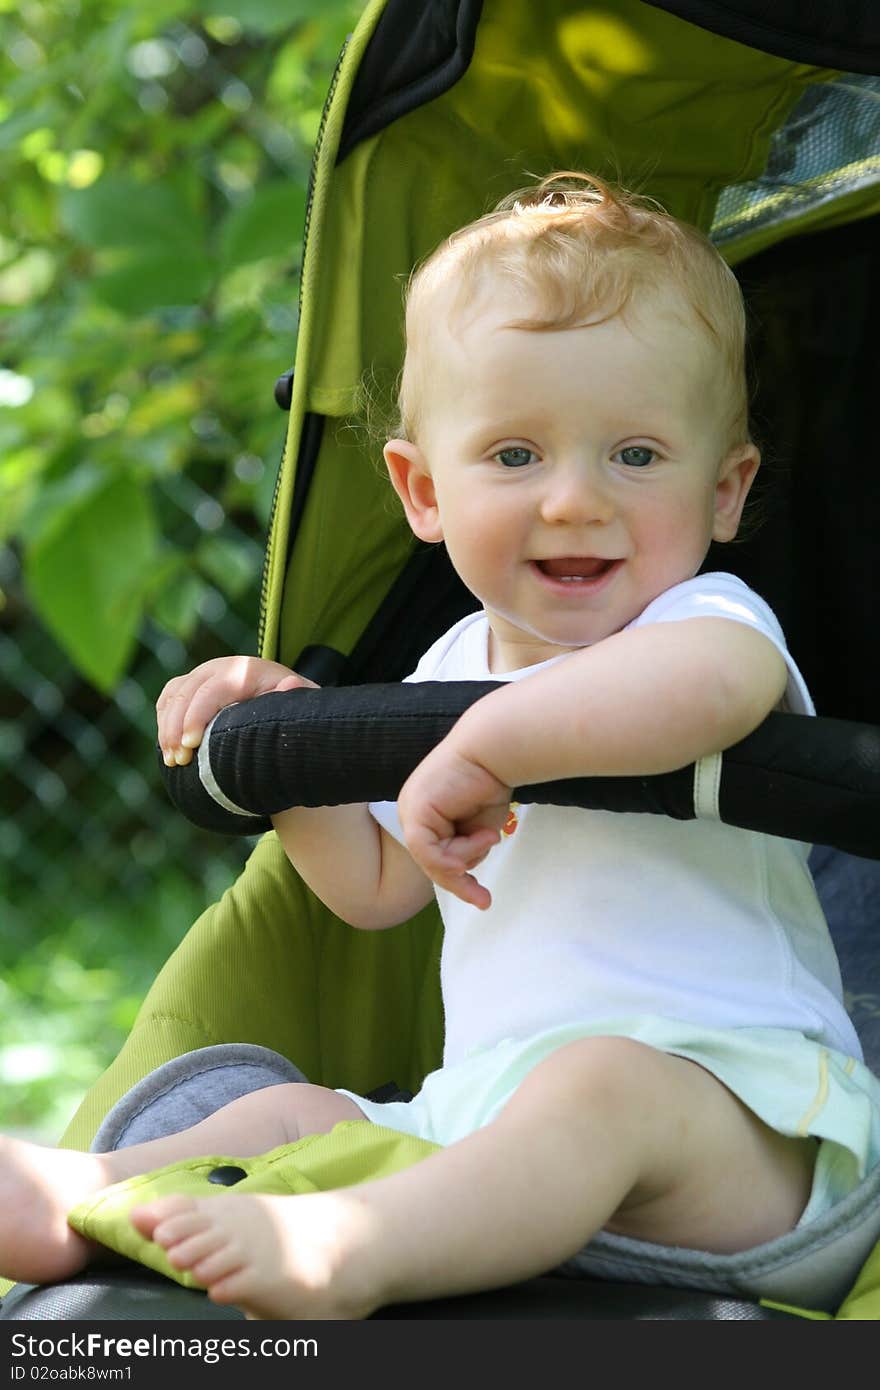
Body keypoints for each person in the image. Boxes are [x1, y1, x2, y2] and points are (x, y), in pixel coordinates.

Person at [3, 172, 880, 1320]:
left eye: (635, 456)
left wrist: (488, 745)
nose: (573, 501)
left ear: (725, 490)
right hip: (488, 1120)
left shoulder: (706, 625)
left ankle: (356, 1247)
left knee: (602, 1085)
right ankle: (82, 1198)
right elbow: (375, 887)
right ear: (422, 489)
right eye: (515, 457)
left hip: (750, 1143)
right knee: (303, 1114)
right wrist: (284, 742)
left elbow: (709, 695)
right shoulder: (450, 670)